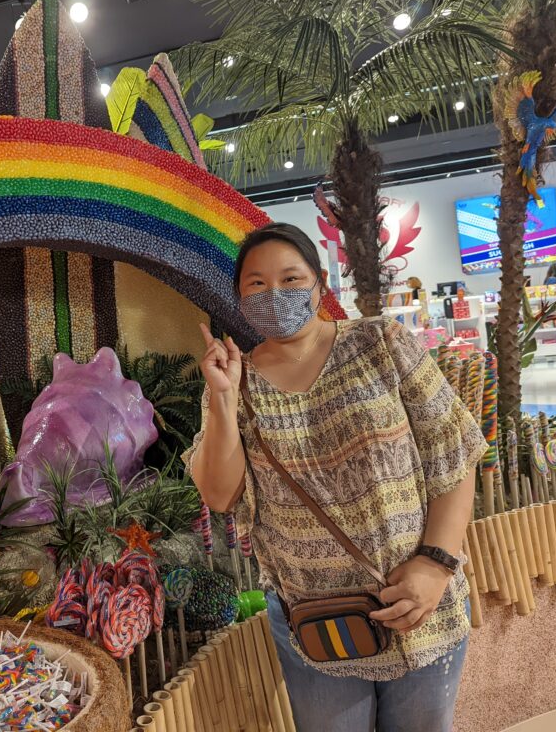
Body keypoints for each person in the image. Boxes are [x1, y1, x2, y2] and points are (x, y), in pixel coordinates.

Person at [185, 222, 485, 732]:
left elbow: (453, 453)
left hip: (413, 603)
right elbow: (219, 492)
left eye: (290, 278)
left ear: (320, 284)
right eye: (256, 284)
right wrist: (223, 397)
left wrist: (435, 566)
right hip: (314, 620)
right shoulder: (239, 381)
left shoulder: (379, 342)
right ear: (239, 297)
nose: (274, 293)